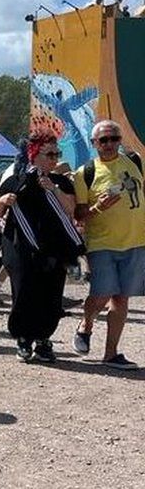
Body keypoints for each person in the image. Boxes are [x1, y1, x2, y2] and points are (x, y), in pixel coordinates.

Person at [0, 133, 80, 362]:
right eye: (49, 154)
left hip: (53, 247)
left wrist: (54, 189)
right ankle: (23, 338)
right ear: (34, 155)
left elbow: (71, 209)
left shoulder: (61, 181)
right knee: (23, 291)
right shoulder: (16, 180)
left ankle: (43, 338)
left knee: (51, 293)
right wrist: (3, 202)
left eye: (56, 154)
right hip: (20, 245)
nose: (54, 158)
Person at [72, 120, 144, 370]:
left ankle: (111, 354)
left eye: (115, 138)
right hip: (102, 243)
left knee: (121, 298)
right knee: (101, 295)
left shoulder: (135, 161)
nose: (110, 144)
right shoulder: (85, 172)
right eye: (104, 140)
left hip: (135, 241)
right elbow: (79, 215)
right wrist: (98, 207)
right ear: (94, 144)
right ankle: (86, 324)